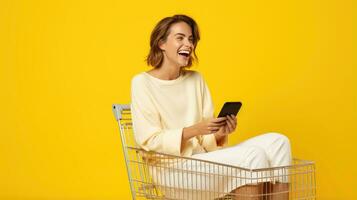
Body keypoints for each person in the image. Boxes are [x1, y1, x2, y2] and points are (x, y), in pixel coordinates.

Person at [130, 14, 291, 200]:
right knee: (253, 156)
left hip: (203, 163)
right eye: (180, 38)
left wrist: (220, 132)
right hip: (172, 171)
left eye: (191, 39)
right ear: (161, 43)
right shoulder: (142, 83)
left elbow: (206, 141)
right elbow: (149, 142)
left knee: (279, 143)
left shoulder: (195, 79)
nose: (188, 44)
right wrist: (191, 130)